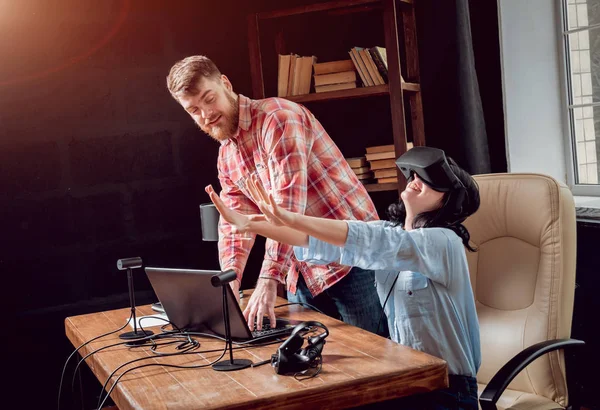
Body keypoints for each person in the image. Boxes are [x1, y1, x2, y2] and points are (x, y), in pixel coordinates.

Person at [205, 146, 481, 409]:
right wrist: (251, 224)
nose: (416, 180)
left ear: (450, 199)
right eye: (415, 175)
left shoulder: (445, 242)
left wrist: (287, 216)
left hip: (448, 388)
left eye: (431, 180)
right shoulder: (392, 232)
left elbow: (369, 240)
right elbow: (318, 242)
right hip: (409, 379)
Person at [166, 55, 386, 335]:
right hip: (302, 269)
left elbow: (287, 207)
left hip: (353, 259)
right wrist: (229, 283)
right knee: (318, 369)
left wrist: (269, 278)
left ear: (225, 83)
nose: (206, 114)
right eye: (194, 110)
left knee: (377, 363)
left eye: (209, 99)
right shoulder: (226, 155)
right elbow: (236, 223)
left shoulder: (278, 118)